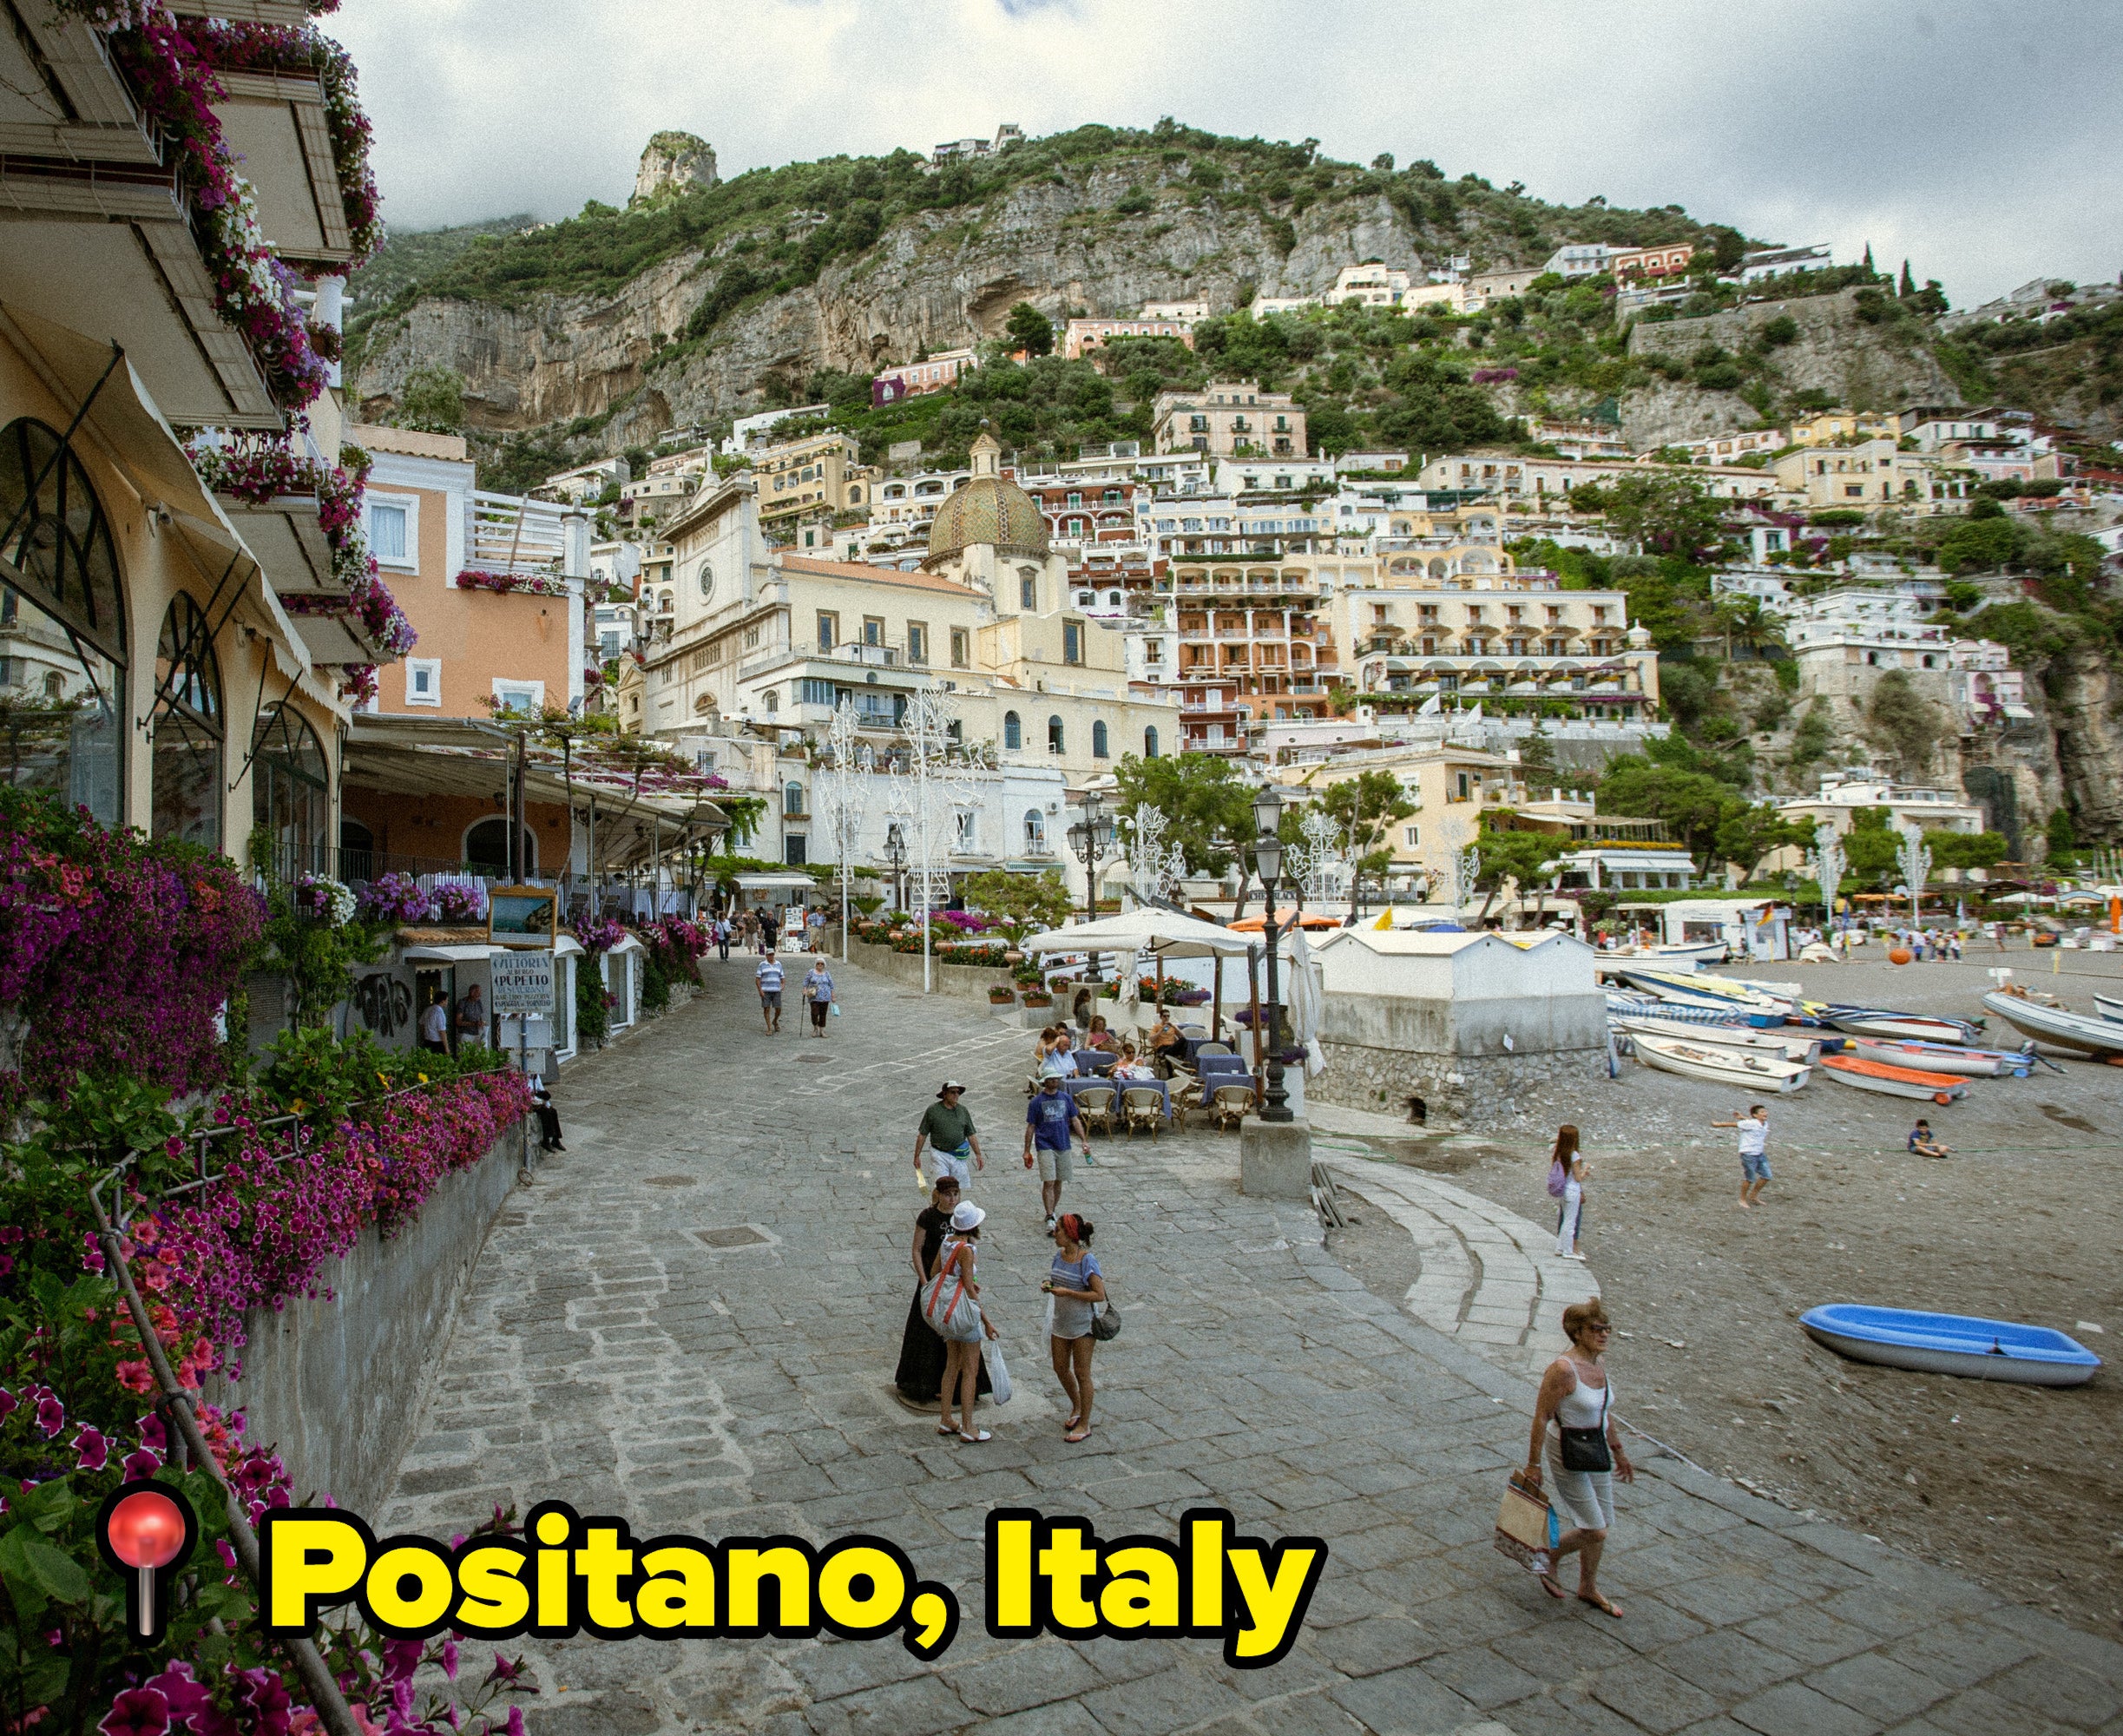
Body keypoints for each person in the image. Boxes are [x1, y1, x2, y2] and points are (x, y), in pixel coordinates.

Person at [1525, 1297, 1633, 1618]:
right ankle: (1548, 1556)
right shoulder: (1563, 1369)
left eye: (1607, 1329)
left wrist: (1619, 1452)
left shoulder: (1599, 1366)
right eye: (1596, 1329)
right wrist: (1533, 1465)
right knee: (1594, 1529)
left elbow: (1605, 1413)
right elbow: (1541, 1416)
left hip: (1595, 1447)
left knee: (1603, 1521)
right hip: (1566, 1449)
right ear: (1577, 1332)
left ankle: (1588, 1586)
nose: (1604, 1335)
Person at [893, 1175, 990, 1405]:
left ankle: (953, 1389)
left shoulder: (962, 1218)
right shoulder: (928, 1217)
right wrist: (925, 1280)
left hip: (955, 1282)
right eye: (948, 1195)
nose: (952, 1199)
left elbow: (971, 1251)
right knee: (926, 1333)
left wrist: (972, 1276)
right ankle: (922, 1383)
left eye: (956, 1195)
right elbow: (917, 1249)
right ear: (939, 1194)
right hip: (934, 1281)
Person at [930, 1201, 997, 1443]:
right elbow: (969, 1288)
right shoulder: (966, 1250)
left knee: (952, 1365)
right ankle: (969, 1426)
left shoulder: (946, 1243)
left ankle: (946, 1418)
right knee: (970, 1370)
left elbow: (935, 1272)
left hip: (949, 1312)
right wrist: (987, 1321)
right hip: (964, 1314)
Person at [1043, 1213, 1107, 1444]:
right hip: (1061, 1321)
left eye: (1058, 1230)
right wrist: (1049, 1286)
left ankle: (1085, 1423)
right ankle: (1077, 1405)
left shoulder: (1087, 1260)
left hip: (1083, 1325)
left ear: (1070, 1234)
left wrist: (1068, 1292)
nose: (1054, 1234)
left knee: (1082, 1373)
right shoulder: (1058, 1256)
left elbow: (1098, 1294)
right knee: (1060, 1367)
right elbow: (1057, 1281)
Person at [1024, 1074, 1088, 1233]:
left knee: (1059, 1180)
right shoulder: (1036, 1102)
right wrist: (1026, 1150)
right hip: (1045, 1145)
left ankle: (1052, 1209)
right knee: (1049, 1181)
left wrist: (1084, 1140)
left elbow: (1074, 1119)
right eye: (1051, 1079)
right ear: (1045, 1081)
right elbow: (1031, 1126)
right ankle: (1050, 1214)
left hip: (1063, 1144)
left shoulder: (1066, 1098)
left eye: (1056, 1079)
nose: (1055, 1081)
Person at [914, 1082, 983, 1188]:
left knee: (960, 1187)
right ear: (945, 1094)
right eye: (953, 1092)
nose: (956, 1095)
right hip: (939, 1154)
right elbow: (922, 1134)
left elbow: (971, 1134)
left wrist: (978, 1154)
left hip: (958, 1156)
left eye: (958, 1093)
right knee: (940, 1186)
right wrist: (917, 1156)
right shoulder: (933, 1111)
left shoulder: (962, 1110)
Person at [1712, 1104, 1771, 1207]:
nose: (1765, 1113)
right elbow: (1734, 1124)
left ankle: (1753, 1196)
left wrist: (1742, 1117)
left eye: (1765, 1111)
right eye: (1762, 1112)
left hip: (1759, 1153)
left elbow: (1752, 1121)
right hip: (1748, 1154)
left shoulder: (1764, 1123)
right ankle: (1742, 1199)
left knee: (1767, 1176)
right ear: (1755, 1115)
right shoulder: (1750, 1123)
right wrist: (1718, 1124)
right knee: (1750, 1178)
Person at [1551, 1125, 1587, 1260]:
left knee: (1565, 1218)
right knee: (1570, 1221)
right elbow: (1578, 1177)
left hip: (1563, 1189)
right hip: (1573, 1190)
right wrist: (1586, 1170)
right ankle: (1568, 1251)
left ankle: (1559, 1247)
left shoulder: (1559, 1152)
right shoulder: (1574, 1155)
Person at [527, 1075, 564, 1152]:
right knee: (545, 1113)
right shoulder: (526, 1079)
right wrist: (540, 1102)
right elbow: (529, 1095)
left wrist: (548, 1105)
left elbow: (541, 1089)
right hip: (531, 1102)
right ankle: (546, 1140)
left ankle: (556, 1139)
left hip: (538, 1099)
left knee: (553, 1111)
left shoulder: (536, 1077)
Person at [802, 956, 834, 1036]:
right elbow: (806, 982)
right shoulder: (811, 972)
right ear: (816, 964)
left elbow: (831, 985)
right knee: (814, 1013)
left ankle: (822, 1031)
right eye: (818, 963)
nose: (820, 965)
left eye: (822, 964)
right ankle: (815, 1028)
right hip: (814, 996)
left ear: (824, 965)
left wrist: (833, 996)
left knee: (823, 1014)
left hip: (825, 997)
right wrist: (805, 990)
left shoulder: (827, 974)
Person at [755, 950, 785, 1033]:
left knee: (778, 1009)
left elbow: (782, 977)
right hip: (766, 990)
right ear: (766, 955)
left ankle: (775, 1020)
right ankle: (769, 1028)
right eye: (769, 955)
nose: (771, 956)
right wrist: (760, 990)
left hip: (776, 990)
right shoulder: (762, 965)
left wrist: (782, 985)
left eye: (772, 954)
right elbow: (757, 979)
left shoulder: (778, 964)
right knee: (766, 1009)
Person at [1147, 1011, 1186, 1075]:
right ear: (1161, 1017)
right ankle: (1171, 1075)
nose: (1166, 1018)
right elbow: (1151, 1039)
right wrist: (1161, 1030)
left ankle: (1164, 1053)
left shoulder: (1172, 1027)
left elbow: (1183, 1036)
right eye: (1164, 1016)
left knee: (1183, 1040)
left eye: (1168, 1016)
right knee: (1168, 1055)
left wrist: (1174, 1027)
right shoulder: (1156, 1027)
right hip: (1162, 1046)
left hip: (1172, 1047)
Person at [453, 983, 486, 1049]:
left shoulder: (478, 1002)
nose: (480, 995)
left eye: (480, 992)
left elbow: (480, 1016)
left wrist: (481, 1023)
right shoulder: (463, 1002)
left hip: (477, 1034)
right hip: (466, 1034)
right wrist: (474, 1023)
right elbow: (458, 1021)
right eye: (477, 992)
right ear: (472, 993)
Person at [418, 990, 450, 1056]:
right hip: (437, 1042)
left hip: (427, 1040)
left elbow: (421, 1024)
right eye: (446, 1000)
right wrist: (446, 1048)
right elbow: (442, 1031)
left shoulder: (428, 1009)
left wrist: (424, 1035)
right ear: (442, 1001)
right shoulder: (439, 1012)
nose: (447, 1002)